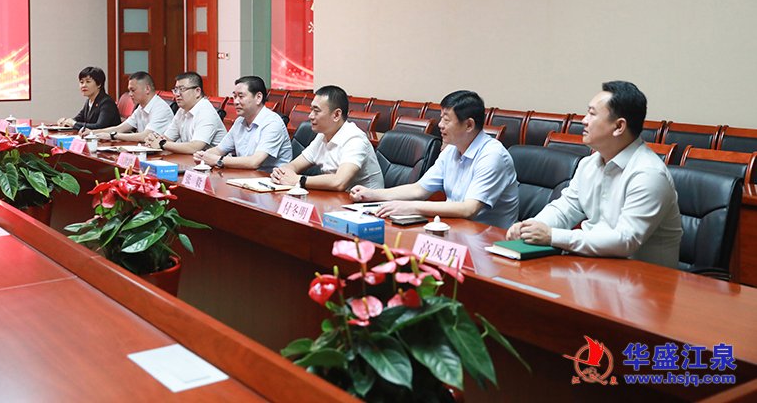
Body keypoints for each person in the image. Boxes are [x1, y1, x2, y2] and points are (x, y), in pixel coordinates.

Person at [506, 81, 682, 268]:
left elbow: (625, 240)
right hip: (593, 266)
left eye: (592, 114)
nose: (584, 120)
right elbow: (564, 209)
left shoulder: (649, 175)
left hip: (642, 278)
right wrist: (530, 227)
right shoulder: (589, 164)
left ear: (619, 126)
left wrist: (552, 236)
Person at [350, 90, 519, 228]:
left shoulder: (492, 156)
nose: (440, 125)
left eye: (446, 120)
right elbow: (419, 190)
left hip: (489, 239)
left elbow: (469, 209)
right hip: (456, 229)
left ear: (469, 125)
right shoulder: (452, 149)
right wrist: (372, 194)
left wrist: (410, 207)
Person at [270, 85, 383, 191]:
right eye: (311, 110)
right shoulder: (322, 135)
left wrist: (299, 180)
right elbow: (295, 165)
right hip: (336, 199)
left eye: (316, 111)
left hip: (366, 203)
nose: (310, 116)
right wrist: (282, 173)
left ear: (336, 115)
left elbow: (339, 182)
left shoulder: (355, 139)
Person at [194, 76, 292, 171]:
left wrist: (218, 160)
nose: (235, 102)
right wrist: (203, 155)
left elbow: (254, 162)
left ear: (258, 97)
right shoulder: (240, 121)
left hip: (270, 178)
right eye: (234, 96)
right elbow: (219, 150)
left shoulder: (272, 123)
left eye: (241, 96)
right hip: (245, 175)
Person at [144, 72, 226, 154]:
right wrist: (154, 140)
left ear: (197, 91)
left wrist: (161, 143)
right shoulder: (182, 110)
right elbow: (167, 138)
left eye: (182, 89)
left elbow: (195, 147)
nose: (177, 94)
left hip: (212, 161)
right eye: (176, 90)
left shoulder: (206, 112)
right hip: (190, 158)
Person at [87, 72, 174, 142]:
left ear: (147, 89)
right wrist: (92, 132)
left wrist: (113, 136)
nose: (130, 94)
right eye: (129, 91)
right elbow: (120, 128)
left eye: (133, 90)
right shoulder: (140, 107)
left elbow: (145, 136)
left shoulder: (160, 108)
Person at [57, 66, 121, 131]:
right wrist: (66, 122)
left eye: (88, 82)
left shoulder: (107, 102)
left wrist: (74, 123)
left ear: (99, 84)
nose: (83, 85)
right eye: (81, 82)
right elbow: (79, 119)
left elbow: (100, 126)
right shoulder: (89, 101)